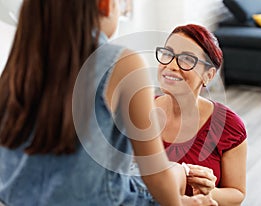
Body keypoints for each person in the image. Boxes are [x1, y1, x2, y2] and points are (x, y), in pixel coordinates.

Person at [0, 0, 218, 206]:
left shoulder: (19, 63)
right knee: (175, 175)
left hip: (17, 197)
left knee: (173, 172)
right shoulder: (123, 63)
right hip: (95, 199)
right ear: (105, 4)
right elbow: (156, 173)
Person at [154, 24, 247, 205]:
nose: (171, 65)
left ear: (208, 75)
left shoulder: (229, 126)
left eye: (187, 59)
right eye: (167, 54)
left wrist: (210, 193)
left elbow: (237, 194)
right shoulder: (139, 111)